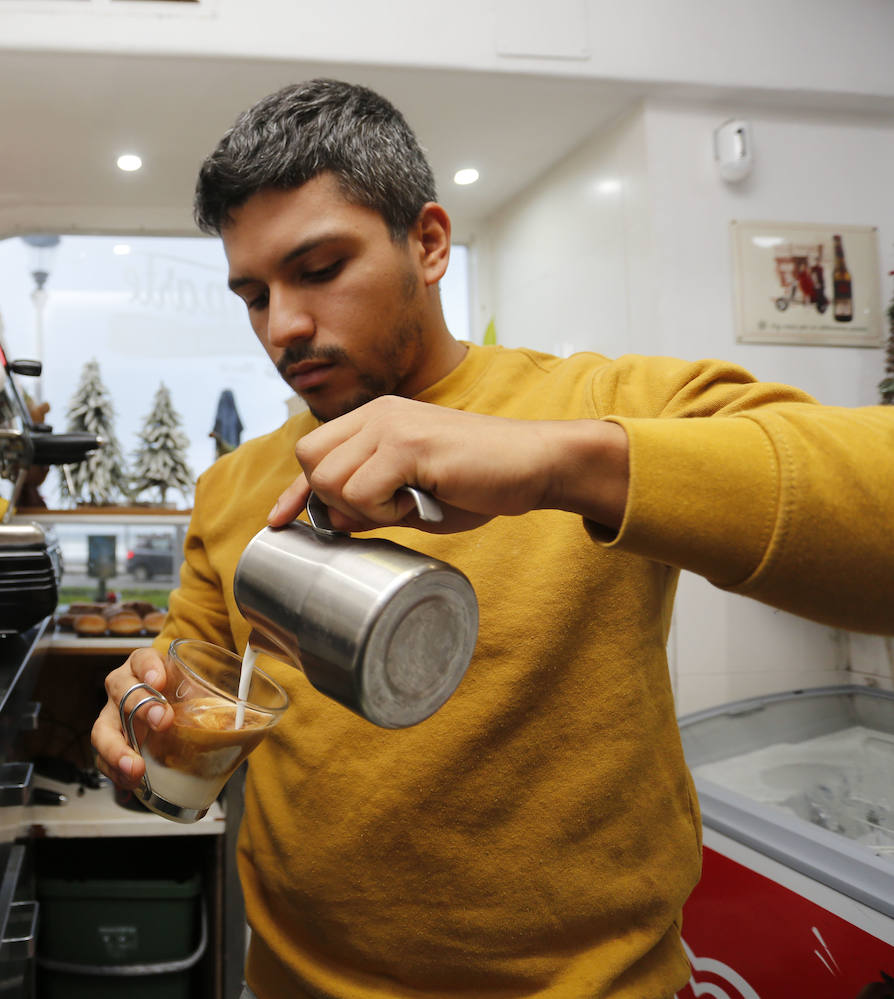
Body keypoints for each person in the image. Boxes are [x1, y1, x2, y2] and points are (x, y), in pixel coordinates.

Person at [89, 78, 894, 999]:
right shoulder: (234, 486)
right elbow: (189, 682)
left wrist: (559, 464)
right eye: (253, 294)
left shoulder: (593, 409)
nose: (283, 326)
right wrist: (141, 731)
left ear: (427, 244)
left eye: (318, 271)